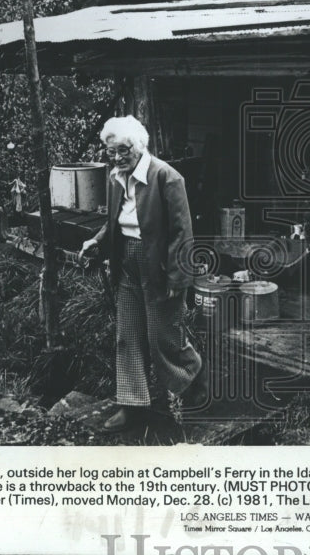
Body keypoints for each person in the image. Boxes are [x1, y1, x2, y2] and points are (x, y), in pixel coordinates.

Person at [78, 115, 203, 432]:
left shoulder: (166, 177)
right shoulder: (115, 177)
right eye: (111, 152)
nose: (117, 158)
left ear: (140, 146)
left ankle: (191, 378)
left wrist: (177, 276)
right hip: (127, 262)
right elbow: (116, 221)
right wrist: (97, 241)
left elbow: (182, 231)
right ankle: (132, 405)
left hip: (158, 266)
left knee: (163, 336)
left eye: (124, 150)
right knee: (128, 336)